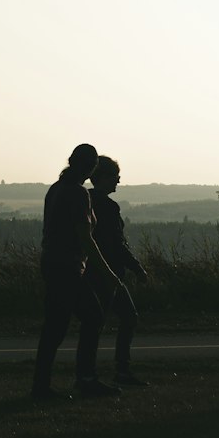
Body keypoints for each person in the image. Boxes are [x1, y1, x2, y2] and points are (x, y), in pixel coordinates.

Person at [31, 143, 121, 400]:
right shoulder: (79, 194)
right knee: (86, 318)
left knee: (56, 327)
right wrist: (107, 273)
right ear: (91, 168)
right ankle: (83, 379)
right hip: (68, 267)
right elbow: (85, 238)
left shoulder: (56, 189)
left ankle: (45, 384)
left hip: (52, 263)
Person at [87, 155, 149, 386]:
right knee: (128, 317)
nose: (118, 182)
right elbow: (117, 243)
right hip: (110, 273)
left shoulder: (87, 200)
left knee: (95, 323)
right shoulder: (108, 206)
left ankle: (90, 373)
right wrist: (137, 267)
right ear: (104, 178)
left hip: (91, 272)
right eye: (116, 177)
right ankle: (121, 371)